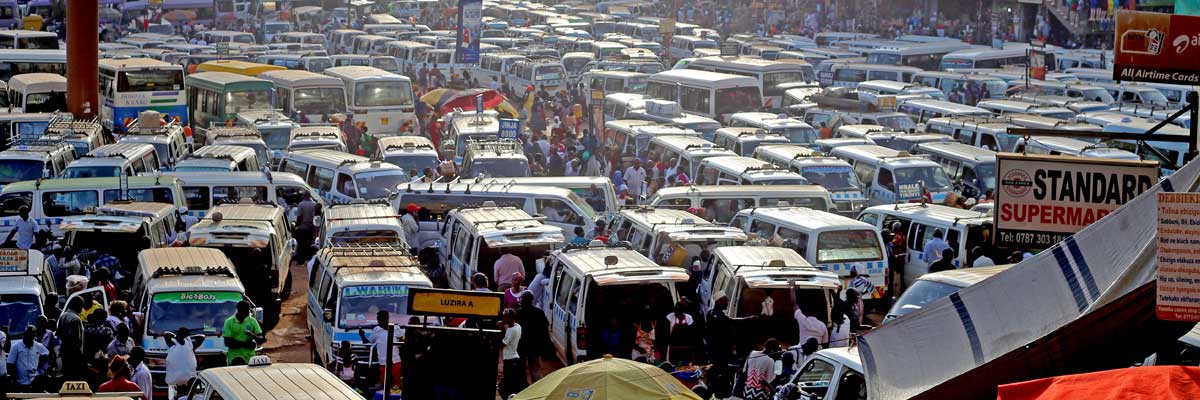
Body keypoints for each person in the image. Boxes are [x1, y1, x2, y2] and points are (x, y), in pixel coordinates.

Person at [359, 310, 401, 390]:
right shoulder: (376, 330)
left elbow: (402, 341)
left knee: (396, 387)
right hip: (383, 364)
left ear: (386, 319)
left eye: (379, 319)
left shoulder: (396, 328)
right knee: (384, 386)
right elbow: (368, 343)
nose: (378, 321)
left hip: (395, 362)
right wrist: (362, 336)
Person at [514, 292, 549, 383]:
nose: (520, 300)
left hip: (521, 345)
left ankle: (522, 386)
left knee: (521, 368)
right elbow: (545, 327)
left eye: (521, 298)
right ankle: (537, 388)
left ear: (523, 300)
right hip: (535, 345)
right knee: (535, 368)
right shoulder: (539, 312)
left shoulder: (519, 312)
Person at [164, 328, 205, 397]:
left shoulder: (173, 345)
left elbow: (166, 334)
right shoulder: (191, 346)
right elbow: (202, 337)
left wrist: (178, 337)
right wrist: (187, 337)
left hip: (178, 381)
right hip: (187, 381)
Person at [222, 301, 264, 366]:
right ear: (239, 309)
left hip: (250, 358)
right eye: (246, 310)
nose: (249, 311)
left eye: (249, 309)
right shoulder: (229, 322)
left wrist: (252, 334)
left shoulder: (252, 321)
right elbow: (227, 342)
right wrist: (247, 344)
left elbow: (261, 340)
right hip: (235, 359)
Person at [8, 325, 49, 392]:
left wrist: (40, 365)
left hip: (34, 381)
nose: (30, 338)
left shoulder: (38, 346)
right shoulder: (16, 346)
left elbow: (46, 354)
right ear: (24, 335)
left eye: (32, 337)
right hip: (20, 383)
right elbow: (10, 364)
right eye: (28, 336)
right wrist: (14, 380)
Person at [498, 309, 525, 398]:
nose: (503, 319)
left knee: (506, 384)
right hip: (514, 357)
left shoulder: (512, 330)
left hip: (510, 359)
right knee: (510, 383)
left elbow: (503, 343)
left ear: (510, 318)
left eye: (505, 318)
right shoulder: (518, 326)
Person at [57, 297, 85, 381]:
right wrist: (81, 359)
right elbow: (77, 342)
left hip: (64, 354)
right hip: (74, 358)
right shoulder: (76, 319)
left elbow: (59, 334)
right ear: (78, 306)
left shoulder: (63, 316)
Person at [661, 301, 696, 366]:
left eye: (679, 312)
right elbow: (665, 333)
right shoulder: (669, 317)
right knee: (673, 365)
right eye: (676, 311)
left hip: (686, 348)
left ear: (683, 311)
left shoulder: (688, 318)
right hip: (673, 347)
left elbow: (692, 333)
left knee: (685, 366)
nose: (676, 313)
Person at [294, 195, 320, 261]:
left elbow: (299, 216)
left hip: (303, 227)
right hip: (311, 228)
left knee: (301, 244)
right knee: (308, 244)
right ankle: (308, 258)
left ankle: (301, 259)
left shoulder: (301, 204)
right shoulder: (314, 204)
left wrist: (297, 225)